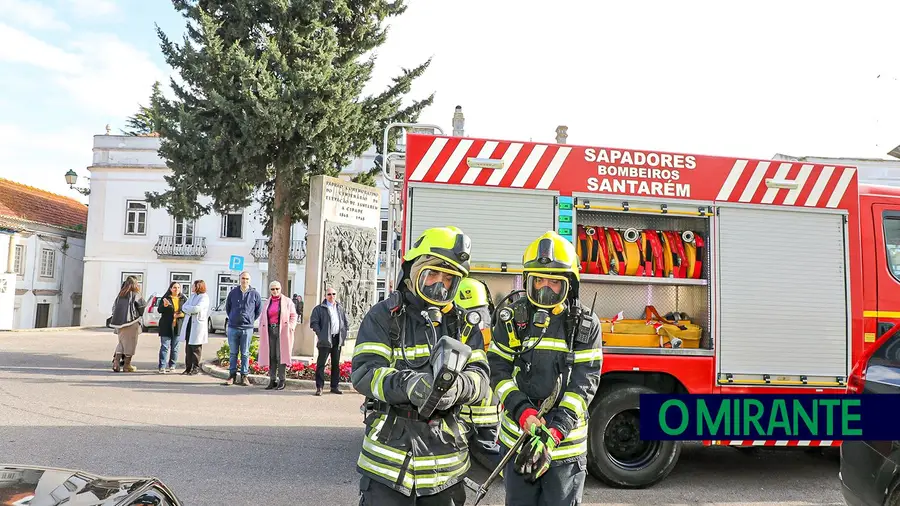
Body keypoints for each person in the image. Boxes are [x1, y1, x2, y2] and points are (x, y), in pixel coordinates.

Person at [350, 225, 490, 505]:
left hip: (445, 471)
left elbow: (481, 379)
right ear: (414, 271)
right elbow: (364, 372)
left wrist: (459, 387)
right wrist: (407, 384)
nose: (440, 284)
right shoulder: (384, 317)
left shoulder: (464, 324)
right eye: (433, 274)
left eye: (449, 278)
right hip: (387, 468)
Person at [487, 231, 603, 506]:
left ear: (570, 285)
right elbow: (498, 370)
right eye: (538, 280)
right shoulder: (511, 317)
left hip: (564, 449)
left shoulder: (585, 325)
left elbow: (583, 384)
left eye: (554, 282)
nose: (545, 288)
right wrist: (522, 412)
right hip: (518, 441)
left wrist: (556, 431)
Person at [454, 276, 503, 469]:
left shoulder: (457, 330)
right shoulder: (494, 330)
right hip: (492, 416)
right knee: (490, 453)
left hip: (464, 415)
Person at [309, 286, 349, 396]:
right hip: (325, 339)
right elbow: (314, 323)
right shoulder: (319, 308)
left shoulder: (340, 308)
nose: (332, 296)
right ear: (325, 296)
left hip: (337, 339)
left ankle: (334, 386)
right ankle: (319, 387)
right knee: (321, 364)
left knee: (336, 364)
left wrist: (344, 333)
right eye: (329, 294)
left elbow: (345, 322)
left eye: (334, 294)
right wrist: (320, 334)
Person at [258, 280, 298, 390]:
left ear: (280, 289)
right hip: (270, 331)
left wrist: (290, 327)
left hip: (282, 331)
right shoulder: (268, 302)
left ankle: (282, 380)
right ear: (270, 290)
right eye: (272, 289)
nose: (275, 291)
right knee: (271, 356)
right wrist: (261, 326)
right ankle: (272, 380)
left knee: (281, 356)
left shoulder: (288, 301)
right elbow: (263, 316)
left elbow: (294, 316)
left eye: (277, 289)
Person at [224, 271, 262, 386]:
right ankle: (232, 376)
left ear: (249, 280)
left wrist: (250, 320)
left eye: (247, 279)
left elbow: (258, 310)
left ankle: (244, 376)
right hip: (233, 327)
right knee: (233, 353)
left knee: (245, 353)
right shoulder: (233, 293)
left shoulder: (255, 294)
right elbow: (228, 308)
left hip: (247, 328)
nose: (244, 281)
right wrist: (233, 318)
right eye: (243, 278)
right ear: (239, 279)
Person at [109, 276, 146, 373]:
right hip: (131, 322)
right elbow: (142, 305)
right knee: (130, 344)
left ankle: (116, 363)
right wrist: (139, 315)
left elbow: (114, 308)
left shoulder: (120, 295)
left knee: (121, 343)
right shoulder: (135, 294)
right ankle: (127, 365)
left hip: (119, 323)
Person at [179, 280, 211, 375]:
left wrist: (189, 309)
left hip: (197, 325)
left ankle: (195, 367)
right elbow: (184, 306)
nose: (192, 287)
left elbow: (197, 308)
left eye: (193, 285)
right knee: (188, 348)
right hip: (189, 323)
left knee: (196, 348)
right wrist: (190, 309)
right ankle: (188, 368)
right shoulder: (193, 296)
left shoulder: (204, 297)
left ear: (198, 286)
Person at [157, 281, 187, 374]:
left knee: (175, 348)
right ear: (170, 289)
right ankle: (162, 366)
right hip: (166, 326)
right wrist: (165, 306)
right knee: (165, 347)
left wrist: (181, 314)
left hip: (178, 326)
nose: (176, 289)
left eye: (178, 287)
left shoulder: (183, 299)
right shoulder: (166, 298)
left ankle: (172, 365)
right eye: (174, 287)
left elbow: (186, 311)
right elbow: (159, 310)